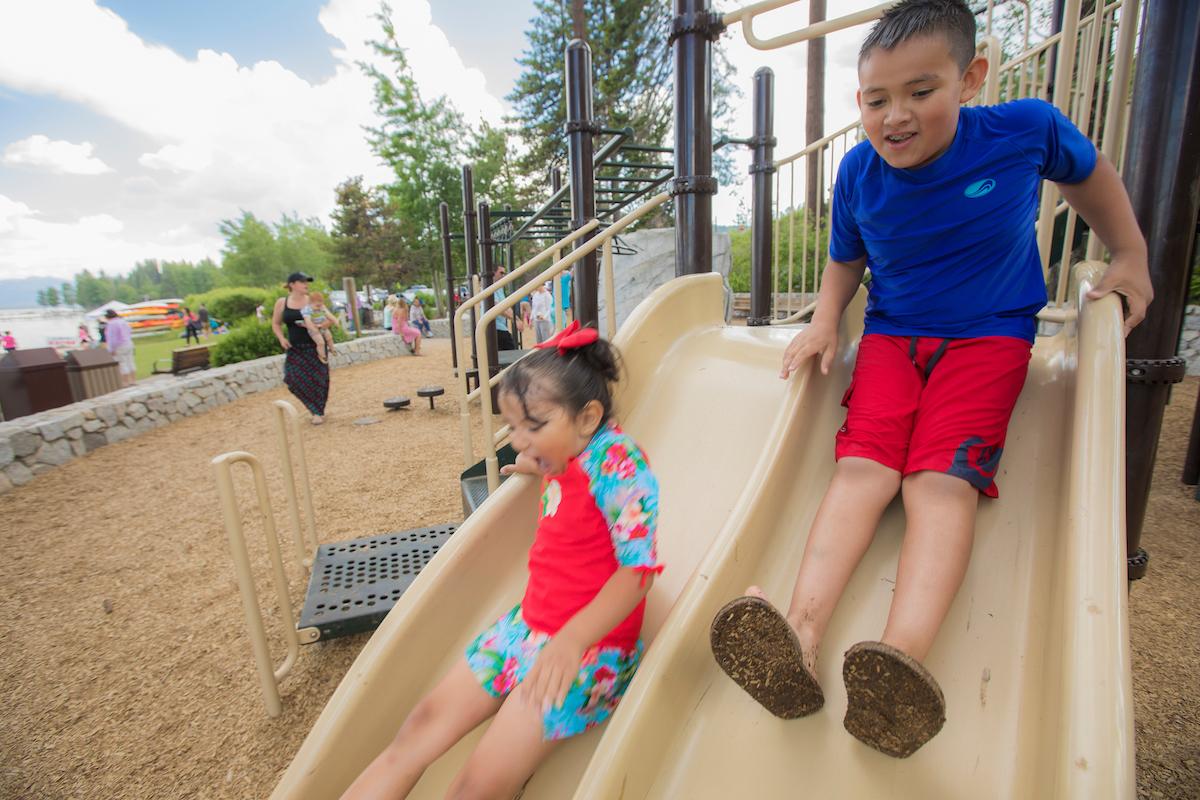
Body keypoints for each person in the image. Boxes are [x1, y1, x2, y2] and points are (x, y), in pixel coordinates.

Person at [708, 0, 1152, 760]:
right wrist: (823, 319)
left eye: (922, 91)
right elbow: (847, 258)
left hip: (988, 340)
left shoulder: (1022, 131)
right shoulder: (858, 174)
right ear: (861, 103)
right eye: (877, 99)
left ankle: (897, 663)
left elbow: (1089, 175)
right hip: (891, 340)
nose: (896, 116)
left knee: (937, 486)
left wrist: (1130, 253)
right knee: (860, 472)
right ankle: (801, 636)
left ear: (970, 78)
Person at [339, 322, 662, 800]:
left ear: (588, 418)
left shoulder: (620, 465)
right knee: (417, 732)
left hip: (588, 651)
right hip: (525, 628)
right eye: (512, 426)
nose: (518, 438)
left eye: (533, 426)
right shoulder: (565, 450)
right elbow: (563, 467)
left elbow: (637, 573)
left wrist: (572, 640)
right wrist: (532, 461)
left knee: (478, 784)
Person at [272, 272, 330, 424]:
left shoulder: (312, 301)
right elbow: (276, 323)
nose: (306, 285)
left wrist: (320, 325)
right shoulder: (281, 303)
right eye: (302, 282)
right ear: (292, 284)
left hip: (315, 345)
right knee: (292, 379)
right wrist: (281, 338)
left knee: (319, 380)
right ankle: (313, 407)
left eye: (307, 282)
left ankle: (317, 412)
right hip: (295, 348)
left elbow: (328, 319)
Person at [301, 291, 338, 364]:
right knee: (321, 342)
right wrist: (314, 329)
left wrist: (335, 320)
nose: (318, 307)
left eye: (320, 304)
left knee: (329, 337)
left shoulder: (322, 307)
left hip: (322, 326)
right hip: (314, 328)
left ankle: (332, 348)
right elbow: (308, 321)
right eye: (316, 305)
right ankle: (322, 355)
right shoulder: (307, 310)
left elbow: (328, 315)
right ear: (310, 303)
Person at [103, 309, 136, 387]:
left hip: (119, 345)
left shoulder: (111, 324)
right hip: (128, 343)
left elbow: (112, 338)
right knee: (130, 361)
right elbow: (129, 331)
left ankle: (126, 381)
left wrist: (111, 349)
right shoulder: (123, 321)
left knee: (122, 363)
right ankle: (133, 380)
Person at [489, 266, 517, 351]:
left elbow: (505, 306)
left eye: (504, 273)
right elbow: (497, 307)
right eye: (501, 273)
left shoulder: (499, 288)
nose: (503, 275)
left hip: (501, 327)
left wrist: (516, 319)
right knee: (509, 351)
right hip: (494, 327)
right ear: (493, 273)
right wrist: (514, 319)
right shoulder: (489, 287)